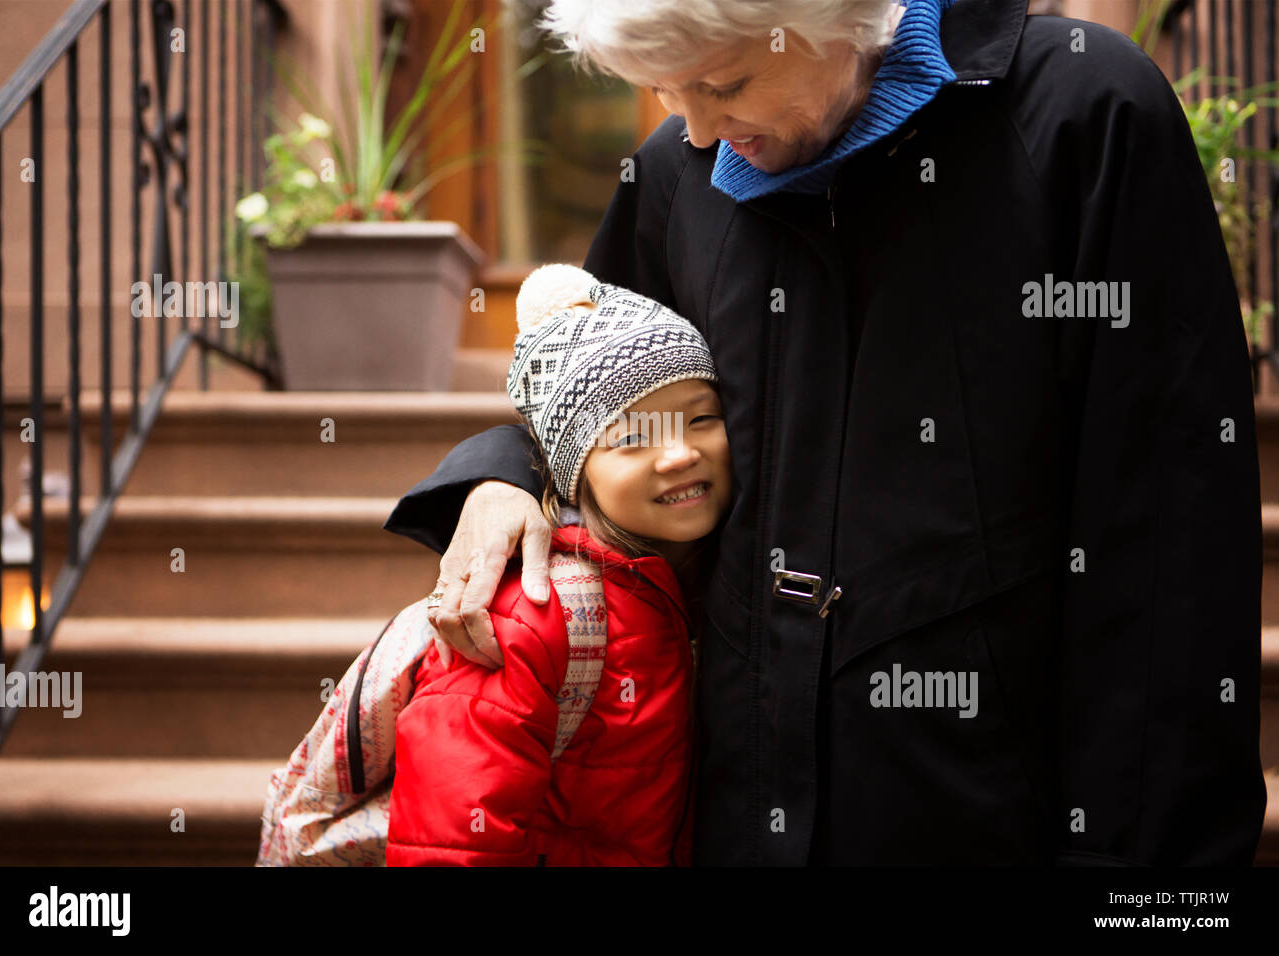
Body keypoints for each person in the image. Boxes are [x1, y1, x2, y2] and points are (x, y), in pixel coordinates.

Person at [385, 0, 1265, 865]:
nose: (695, 131)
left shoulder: (1084, 110)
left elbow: (1169, 535)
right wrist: (499, 477)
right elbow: (580, 393)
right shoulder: (680, 167)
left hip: (988, 816)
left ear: (836, 17)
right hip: (734, 807)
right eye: (665, 91)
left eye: (722, 81)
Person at [384, 264, 733, 865]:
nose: (679, 454)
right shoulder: (531, 616)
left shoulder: (706, 584)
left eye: (700, 419)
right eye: (633, 438)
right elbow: (450, 840)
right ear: (575, 471)